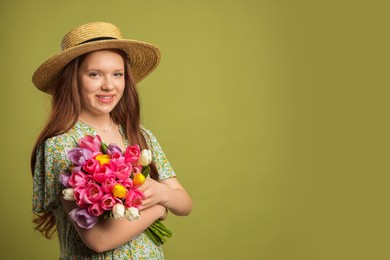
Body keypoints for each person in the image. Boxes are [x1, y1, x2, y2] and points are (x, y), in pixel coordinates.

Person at [31, 22, 192, 259]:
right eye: (94, 74)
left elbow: (185, 203)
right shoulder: (63, 145)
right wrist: (158, 208)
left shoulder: (139, 135)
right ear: (72, 79)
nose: (108, 85)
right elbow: (98, 239)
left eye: (117, 74)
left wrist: (162, 194)